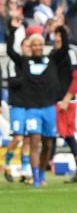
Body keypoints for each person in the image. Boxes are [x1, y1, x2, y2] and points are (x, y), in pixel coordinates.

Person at [6, 17, 66, 187]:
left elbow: (65, 48)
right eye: (34, 45)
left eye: (40, 44)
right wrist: (12, 30)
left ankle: (41, 171)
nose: (38, 47)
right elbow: (10, 51)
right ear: (30, 48)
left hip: (48, 108)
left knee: (47, 144)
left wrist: (60, 28)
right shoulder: (24, 63)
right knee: (33, 141)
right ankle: (35, 178)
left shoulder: (51, 60)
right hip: (32, 109)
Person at [52, 26, 77, 183]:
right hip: (53, 100)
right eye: (55, 34)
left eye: (60, 35)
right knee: (50, 135)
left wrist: (66, 98)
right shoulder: (53, 54)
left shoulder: (70, 53)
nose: (57, 38)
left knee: (68, 136)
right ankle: (42, 169)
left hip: (66, 101)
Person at [3, 38, 32, 184]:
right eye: (26, 46)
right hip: (17, 105)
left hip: (31, 105)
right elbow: (12, 82)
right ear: (21, 47)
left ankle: (25, 170)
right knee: (18, 137)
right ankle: (6, 164)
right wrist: (27, 78)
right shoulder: (14, 62)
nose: (29, 48)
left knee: (28, 139)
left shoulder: (33, 63)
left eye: (30, 46)